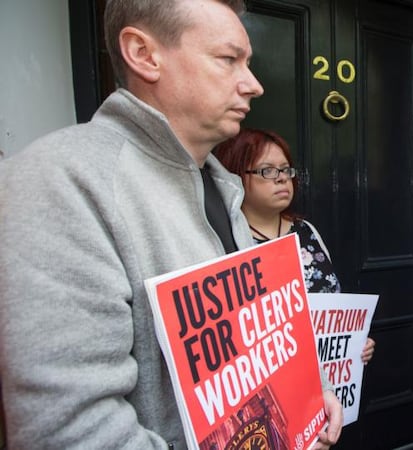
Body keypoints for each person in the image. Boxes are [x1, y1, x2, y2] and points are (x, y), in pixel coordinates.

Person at [0, 1, 342, 449]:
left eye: (249, 63)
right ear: (143, 54)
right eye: (228, 59)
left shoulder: (222, 187)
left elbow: (258, 344)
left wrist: (311, 394)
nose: (254, 84)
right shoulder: (60, 181)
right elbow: (73, 431)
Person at [213, 127, 376, 363]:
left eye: (286, 169)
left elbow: (334, 309)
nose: (282, 178)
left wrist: (355, 341)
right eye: (267, 170)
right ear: (235, 175)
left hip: (328, 383)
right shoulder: (226, 241)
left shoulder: (305, 230)